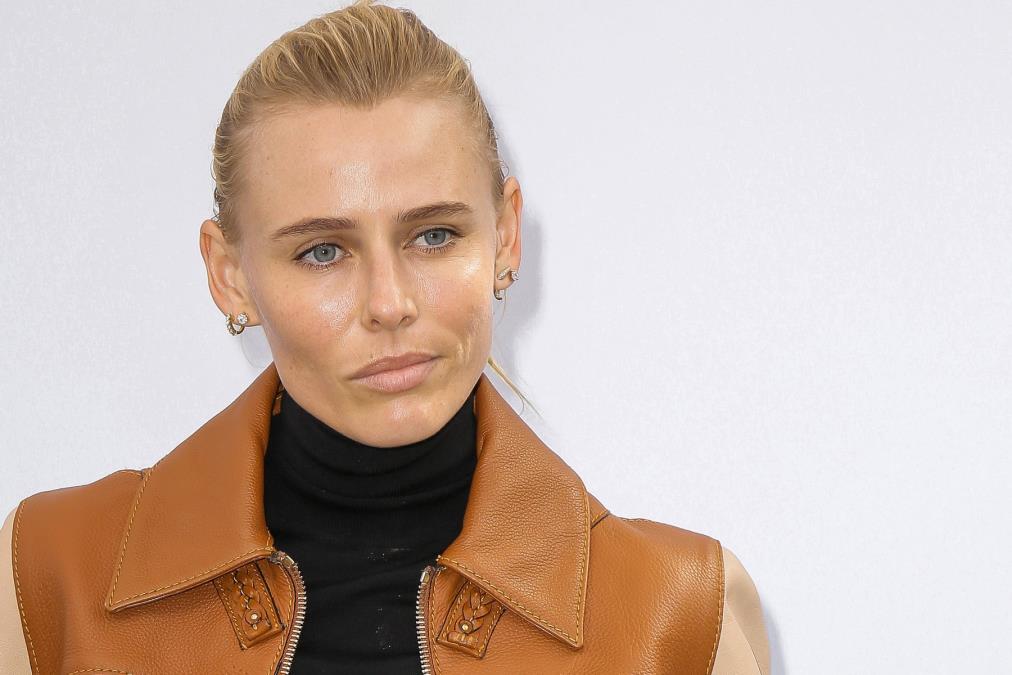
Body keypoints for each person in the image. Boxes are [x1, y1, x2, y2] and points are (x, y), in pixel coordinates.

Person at [0, 1, 771, 673]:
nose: (390, 303)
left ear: (505, 238)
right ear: (229, 274)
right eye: (322, 251)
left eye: (434, 235)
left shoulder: (679, 613)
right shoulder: (48, 575)